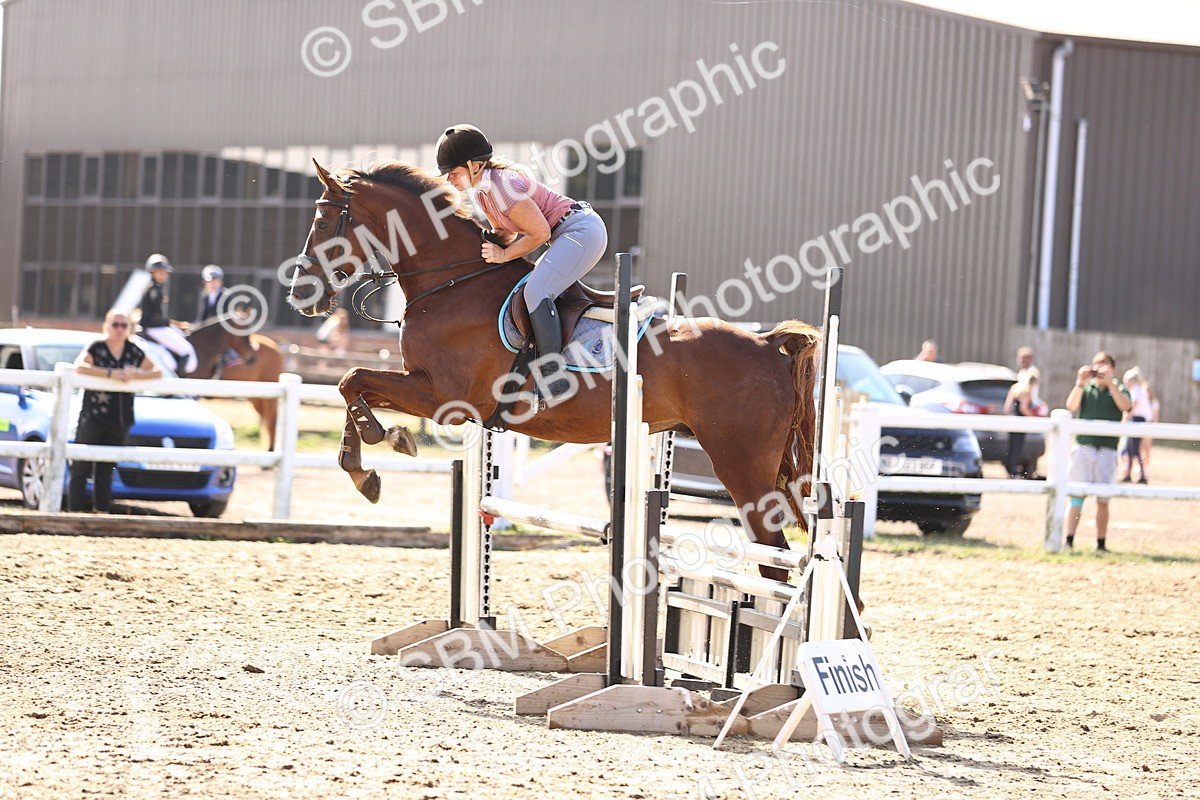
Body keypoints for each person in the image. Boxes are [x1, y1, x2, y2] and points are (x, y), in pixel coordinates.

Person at [436, 123, 608, 409]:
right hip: (566, 235)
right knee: (525, 289)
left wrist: (503, 256)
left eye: (453, 172)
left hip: (580, 232)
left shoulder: (502, 187)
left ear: (475, 165)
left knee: (536, 290)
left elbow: (539, 233)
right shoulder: (483, 193)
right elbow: (505, 233)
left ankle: (554, 377)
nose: (449, 179)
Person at [69, 311, 162, 513]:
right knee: (81, 466)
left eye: (124, 325)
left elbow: (157, 371)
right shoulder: (97, 347)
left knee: (107, 468)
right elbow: (80, 367)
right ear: (107, 326)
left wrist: (136, 374)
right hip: (93, 416)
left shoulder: (134, 350)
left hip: (121, 418)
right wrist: (111, 374)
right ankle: (73, 512)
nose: (120, 329)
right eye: (115, 325)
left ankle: (102, 511)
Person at [1064, 351, 1132, 551]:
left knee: (1103, 499)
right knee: (1076, 496)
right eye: (1097, 364)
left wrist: (1110, 384)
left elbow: (1126, 406)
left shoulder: (1119, 388)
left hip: (1107, 449)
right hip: (1084, 446)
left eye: (1105, 364)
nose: (1100, 368)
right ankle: (1069, 540)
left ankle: (1101, 543)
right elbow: (1071, 406)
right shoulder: (1087, 387)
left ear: (1113, 368)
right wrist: (1080, 382)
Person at [136, 254, 197, 375]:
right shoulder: (153, 289)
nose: (163, 275)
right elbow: (156, 317)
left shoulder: (156, 288)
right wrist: (174, 324)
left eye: (165, 272)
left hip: (157, 327)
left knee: (182, 336)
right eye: (160, 272)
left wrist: (175, 325)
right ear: (152, 272)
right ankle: (178, 379)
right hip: (154, 328)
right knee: (186, 351)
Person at [1004, 372, 1046, 479]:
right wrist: (1034, 418)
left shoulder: (1015, 388)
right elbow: (1024, 408)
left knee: (1012, 446)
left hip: (1012, 420)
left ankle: (1010, 471)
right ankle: (1014, 471)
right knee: (1018, 447)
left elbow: (1007, 407)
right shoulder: (1027, 390)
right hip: (1021, 422)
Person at [1119, 367, 1153, 484]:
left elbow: (1134, 404)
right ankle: (1129, 473)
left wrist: (1126, 416)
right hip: (1138, 419)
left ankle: (1142, 474)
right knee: (1131, 448)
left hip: (1137, 419)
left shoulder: (1136, 390)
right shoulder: (1140, 389)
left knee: (1135, 448)